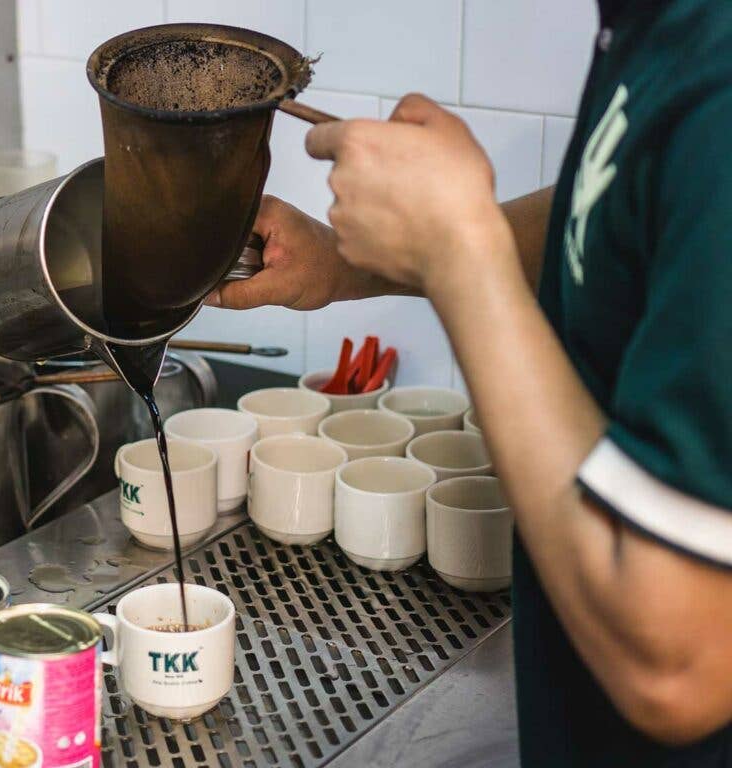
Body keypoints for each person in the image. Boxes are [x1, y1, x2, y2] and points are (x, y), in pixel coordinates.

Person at [209, 1, 732, 764]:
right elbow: (630, 209)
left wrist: (457, 251)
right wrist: (355, 261)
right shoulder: (660, 26)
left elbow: (676, 664)